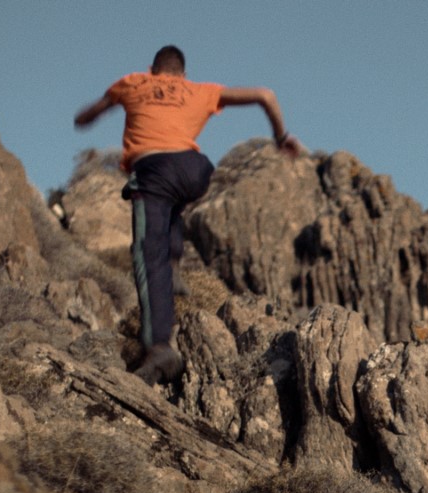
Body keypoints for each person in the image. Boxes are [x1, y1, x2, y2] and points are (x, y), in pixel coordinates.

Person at [74, 45, 302, 385]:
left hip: (153, 170)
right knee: (172, 201)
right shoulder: (199, 90)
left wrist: (86, 117)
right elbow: (265, 95)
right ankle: (175, 261)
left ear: (152, 70)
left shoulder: (132, 82)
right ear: (182, 74)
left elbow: (91, 113)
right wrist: (281, 137)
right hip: (194, 171)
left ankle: (159, 348)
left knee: (148, 257)